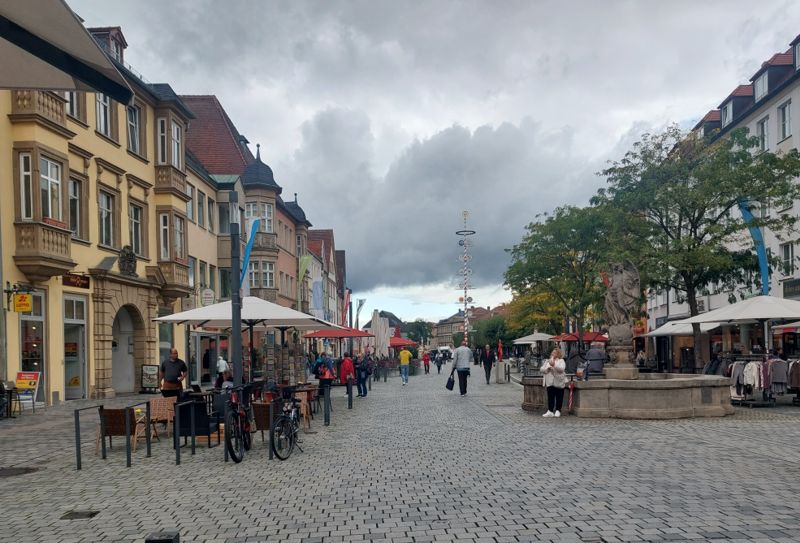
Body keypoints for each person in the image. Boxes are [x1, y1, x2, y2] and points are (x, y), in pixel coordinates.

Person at [541, 348, 566, 417]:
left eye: (554, 353)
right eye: (552, 352)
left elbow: (561, 369)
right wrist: (547, 369)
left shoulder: (561, 361)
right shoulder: (547, 361)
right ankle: (550, 411)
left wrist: (554, 365)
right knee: (550, 397)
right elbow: (542, 369)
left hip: (558, 381)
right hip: (549, 382)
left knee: (559, 396)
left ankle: (558, 410)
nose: (552, 354)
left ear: (558, 354)